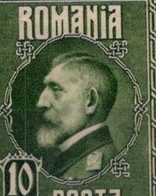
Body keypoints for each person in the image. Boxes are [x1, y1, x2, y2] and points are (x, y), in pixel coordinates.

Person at [34, 52, 119, 180]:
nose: (41, 103)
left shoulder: (91, 171)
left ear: (90, 102)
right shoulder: (76, 161)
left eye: (56, 89)